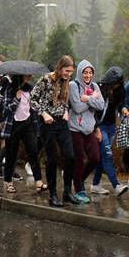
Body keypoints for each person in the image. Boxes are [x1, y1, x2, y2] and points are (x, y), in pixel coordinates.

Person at [31, 56, 80, 205]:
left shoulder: (66, 81)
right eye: (66, 71)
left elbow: (64, 99)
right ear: (60, 68)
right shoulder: (46, 79)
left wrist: (66, 111)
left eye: (71, 72)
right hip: (47, 122)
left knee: (70, 156)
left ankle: (67, 192)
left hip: (62, 121)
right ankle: (53, 195)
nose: (68, 74)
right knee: (52, 159)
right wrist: (44, 113)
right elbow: (32, 99)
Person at [0, 74, 46, 196]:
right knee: (11, 155)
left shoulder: (31, 89)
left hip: (28, 124)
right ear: (20, 77)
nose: (29, 78)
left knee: (33, 152)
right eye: (26, 77)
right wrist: (17, 98)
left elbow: (34, 106)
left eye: (29, 76)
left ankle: (39, 182)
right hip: (13, 125)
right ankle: (8, 182)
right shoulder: (10, 89)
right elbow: (6, 109)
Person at [67, 59, 107, 204]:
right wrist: (92, 100)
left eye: (90, 73)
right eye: (85, 72)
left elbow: (101, 105)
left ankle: (78, 180)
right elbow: (77, 108)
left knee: (95, 158)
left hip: (89, 128)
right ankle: (79, 190)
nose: (88, 75)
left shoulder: (95, 86)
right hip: (75, 128)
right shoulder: (73, 85)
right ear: (80, 72)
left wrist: (87, 98)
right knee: (79, 159)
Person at [91, 67, 129, 197]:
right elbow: (93, 110)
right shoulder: (99, 89)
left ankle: (95, 184)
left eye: (118, 84)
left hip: (111, 126)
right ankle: (116, 185)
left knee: (102, 157)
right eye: (114, 84)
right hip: (99, 126)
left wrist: (123, 108)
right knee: (107, 154)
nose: (116, 86)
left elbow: (120, 103)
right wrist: (96, 128)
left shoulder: (120, 90)